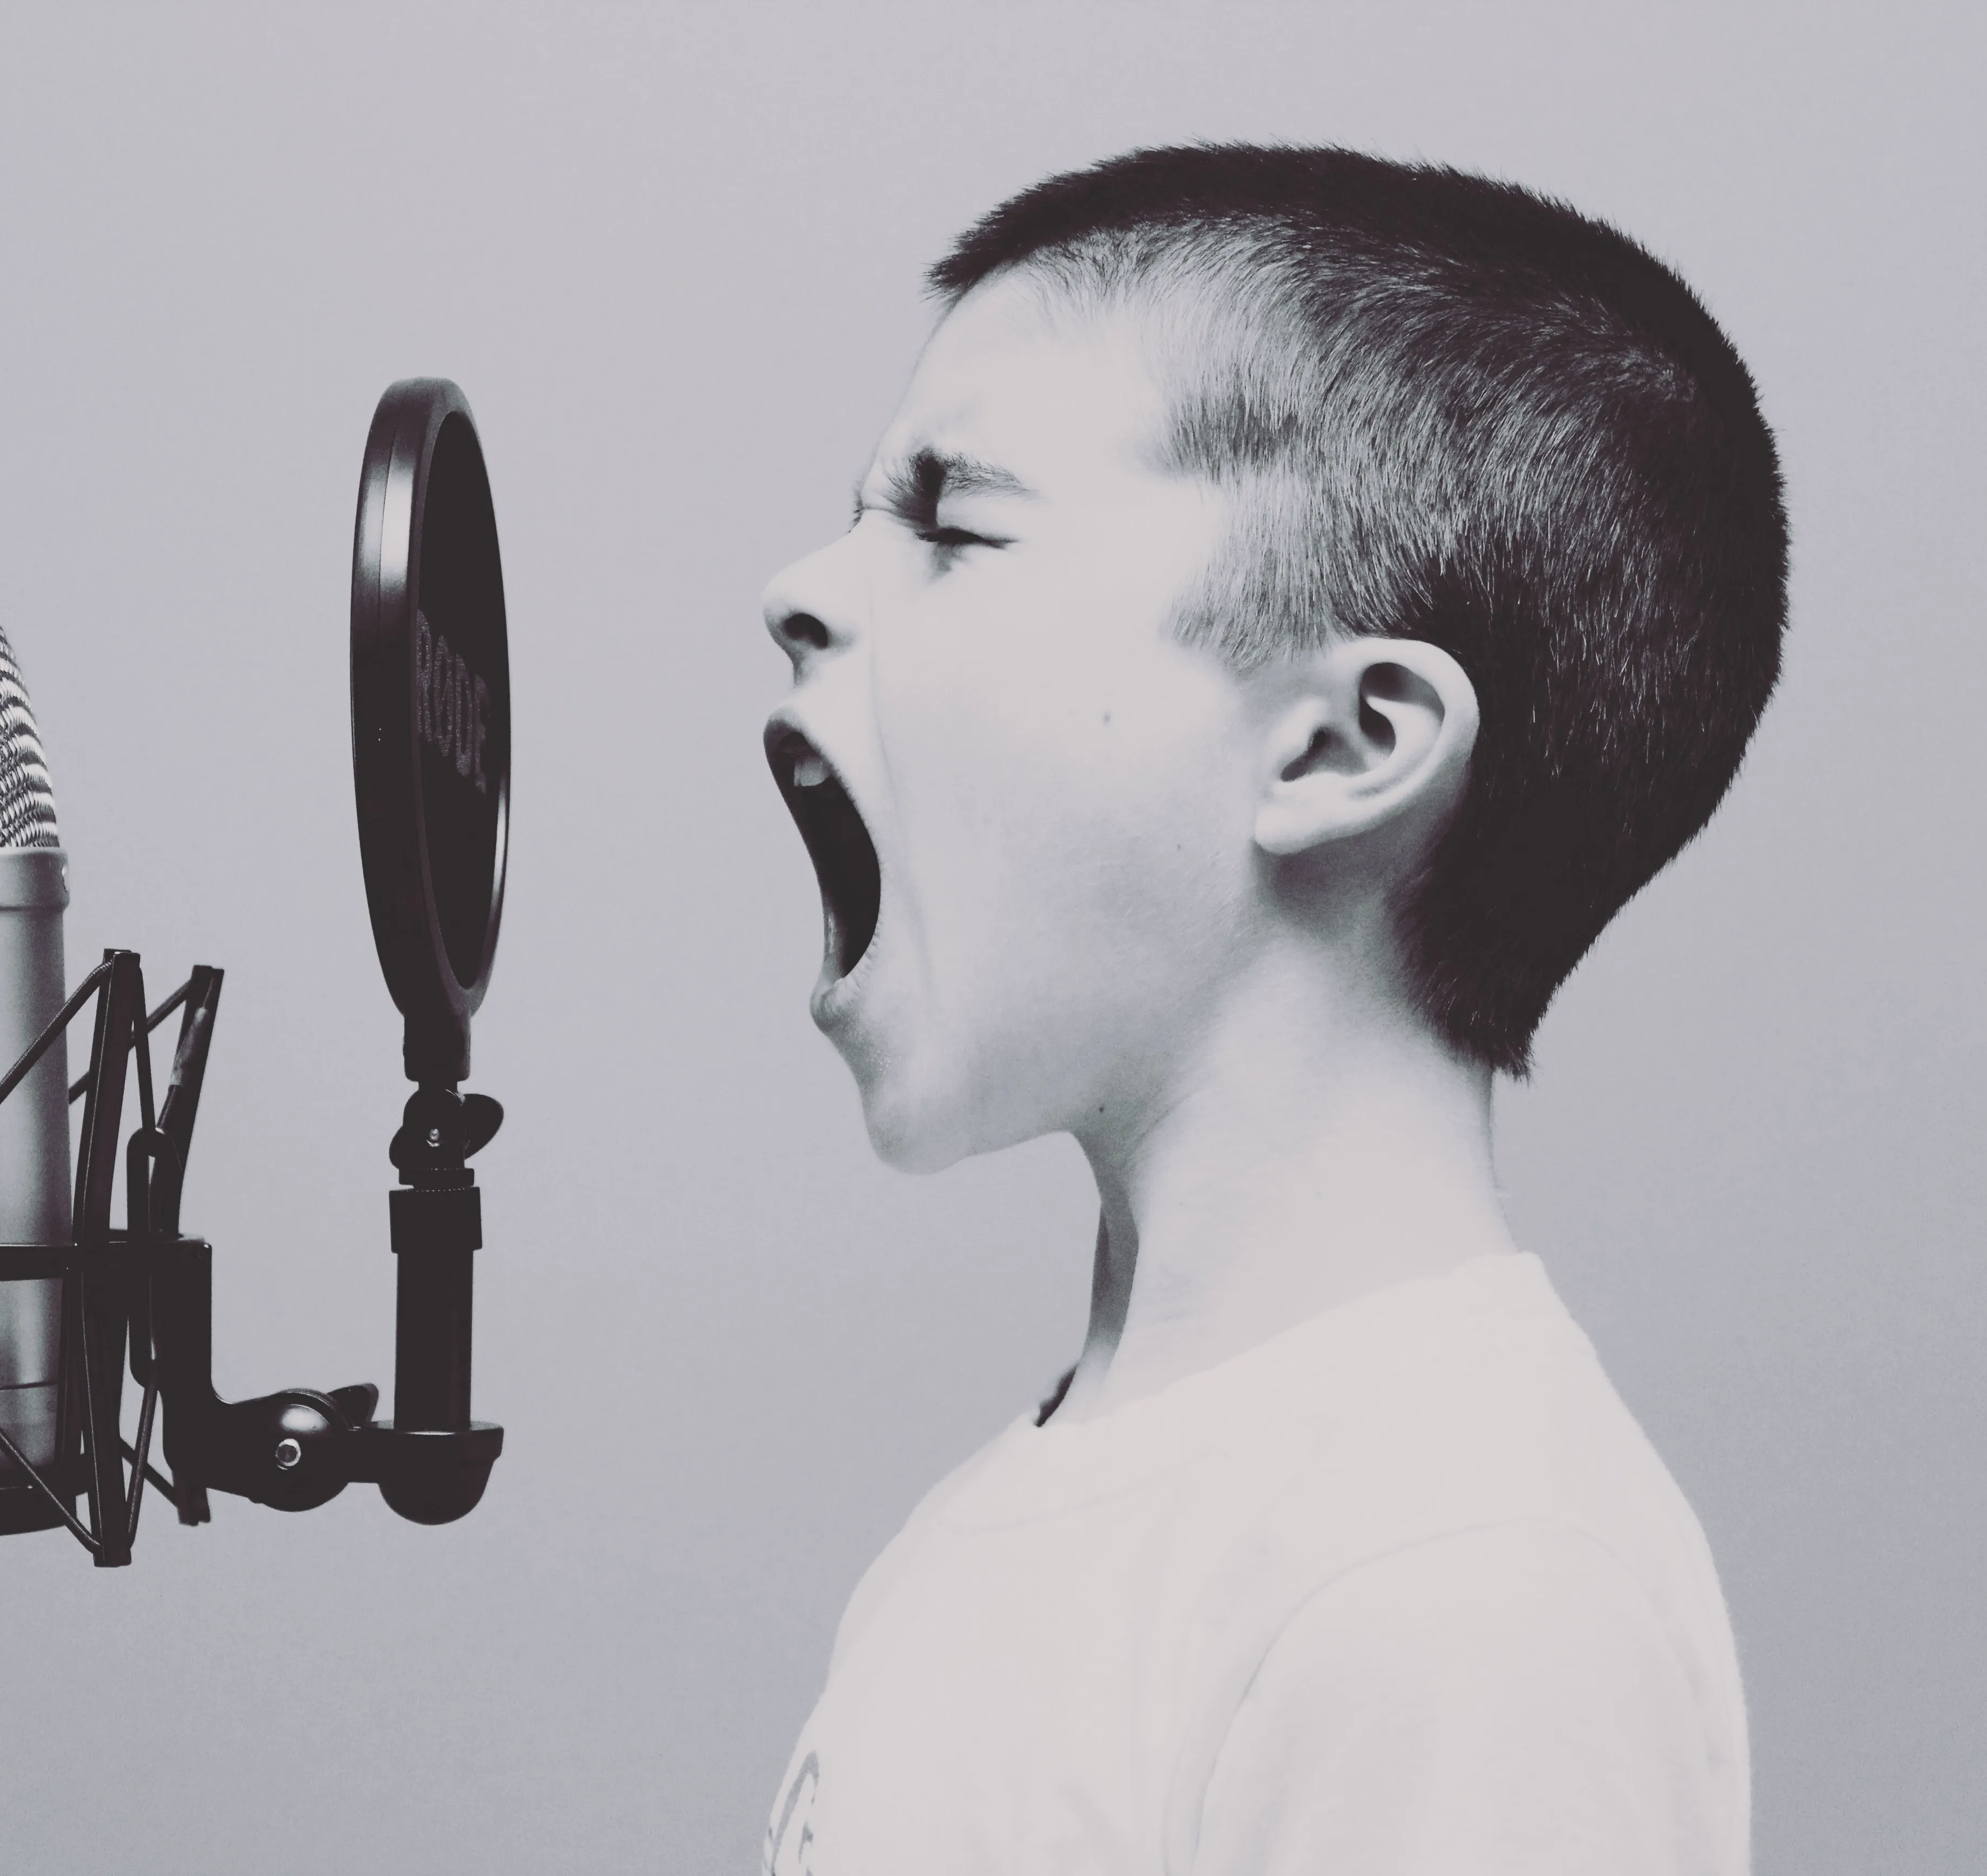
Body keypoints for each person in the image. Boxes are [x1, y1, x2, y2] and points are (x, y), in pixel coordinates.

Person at [757, 144, 1784, 1876]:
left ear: (1344, 744)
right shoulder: (1035, 1511)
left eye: (953, 523)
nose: (802, 590)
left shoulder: (1456, 1587)